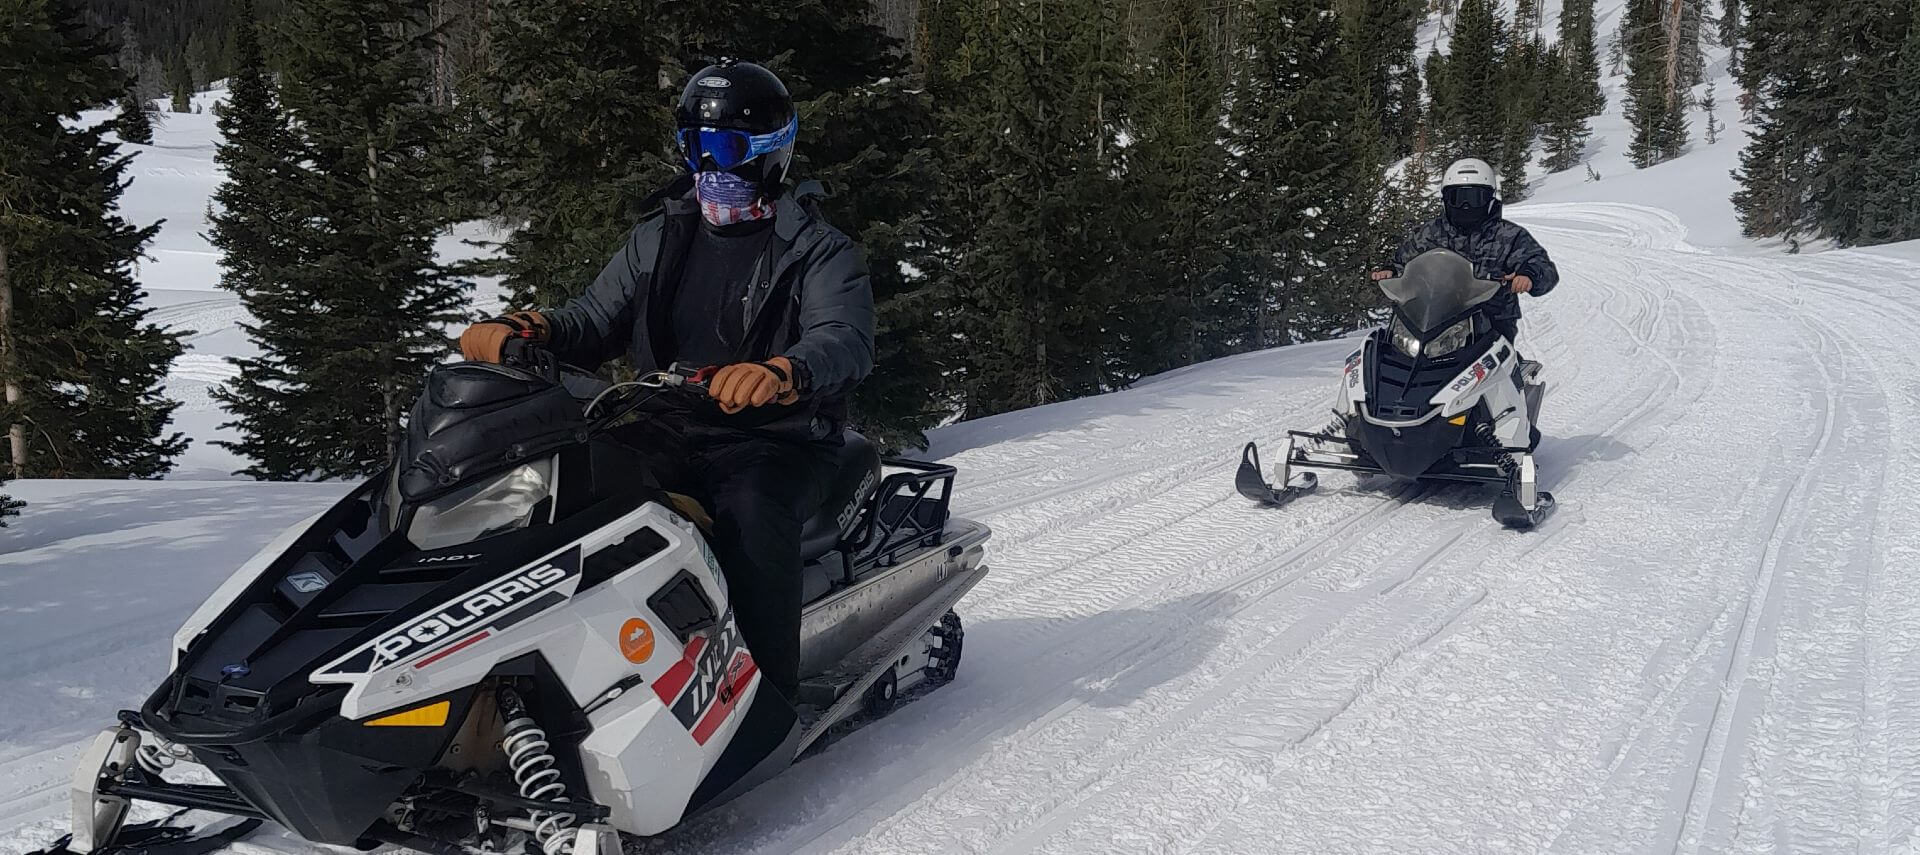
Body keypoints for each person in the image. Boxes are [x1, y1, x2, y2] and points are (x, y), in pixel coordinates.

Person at [456, 60, 875, 703]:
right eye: (695, 146)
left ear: (770, 152)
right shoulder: (662, 233)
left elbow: (843, 337)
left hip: (776, 437)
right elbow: (595, 319)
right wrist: (533, 328)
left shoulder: (817, 249)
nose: (709, 167)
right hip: (665, 422)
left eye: (725, 148)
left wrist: (782, 371)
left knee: (751, 516)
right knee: (564, 488)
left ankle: (767, 703)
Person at [1371, 158, 1559, 347]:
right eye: (1458, 198)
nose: (1466, 206)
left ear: (1489, 199)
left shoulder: (1508, 235)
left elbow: (1542, 266)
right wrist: (1391, 272)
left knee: (1499, 366)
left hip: (1492, 320)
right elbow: (1403, 261)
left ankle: (1513, 375)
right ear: (1446, 200)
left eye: (1474, 198)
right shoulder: (1430, 233)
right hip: (1432, 319)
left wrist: (1529, 275)